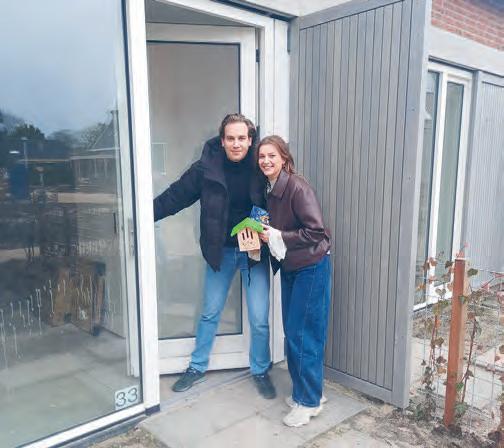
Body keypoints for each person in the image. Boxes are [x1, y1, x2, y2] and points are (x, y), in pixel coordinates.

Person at [153, 114, 276, 399]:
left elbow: (280, 198)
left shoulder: (261, 166)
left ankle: (260, 370)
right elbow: (176, 196)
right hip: (221, 251)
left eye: (242, 138)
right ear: (222, 141)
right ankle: (197, 367)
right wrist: (143, 214)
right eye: (230, 138)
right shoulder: (206, 169)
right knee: (210, 313)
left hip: (254, 252)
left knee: (259, 318)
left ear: (250, 140)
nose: (236, 144)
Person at [257, 135, 331, 427]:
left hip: (310, 267)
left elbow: (316, 232)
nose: (266, 161)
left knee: (302, 334)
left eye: (272, 156)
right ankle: (311, 393)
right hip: (292, 265)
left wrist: (277, 236)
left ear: (284, 159)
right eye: (262, 156)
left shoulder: (297, 188)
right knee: (297, 331)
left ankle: (308, 402)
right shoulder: (271, 187)